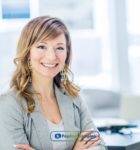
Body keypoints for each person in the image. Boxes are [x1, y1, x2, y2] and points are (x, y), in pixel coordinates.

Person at [0, 16, 107, 150]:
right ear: (27, 53)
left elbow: (98, 145)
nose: (51, 56)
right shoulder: (8, 104)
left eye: (60, 48)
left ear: (67, 54)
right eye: (41, 46)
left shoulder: (73, 98)